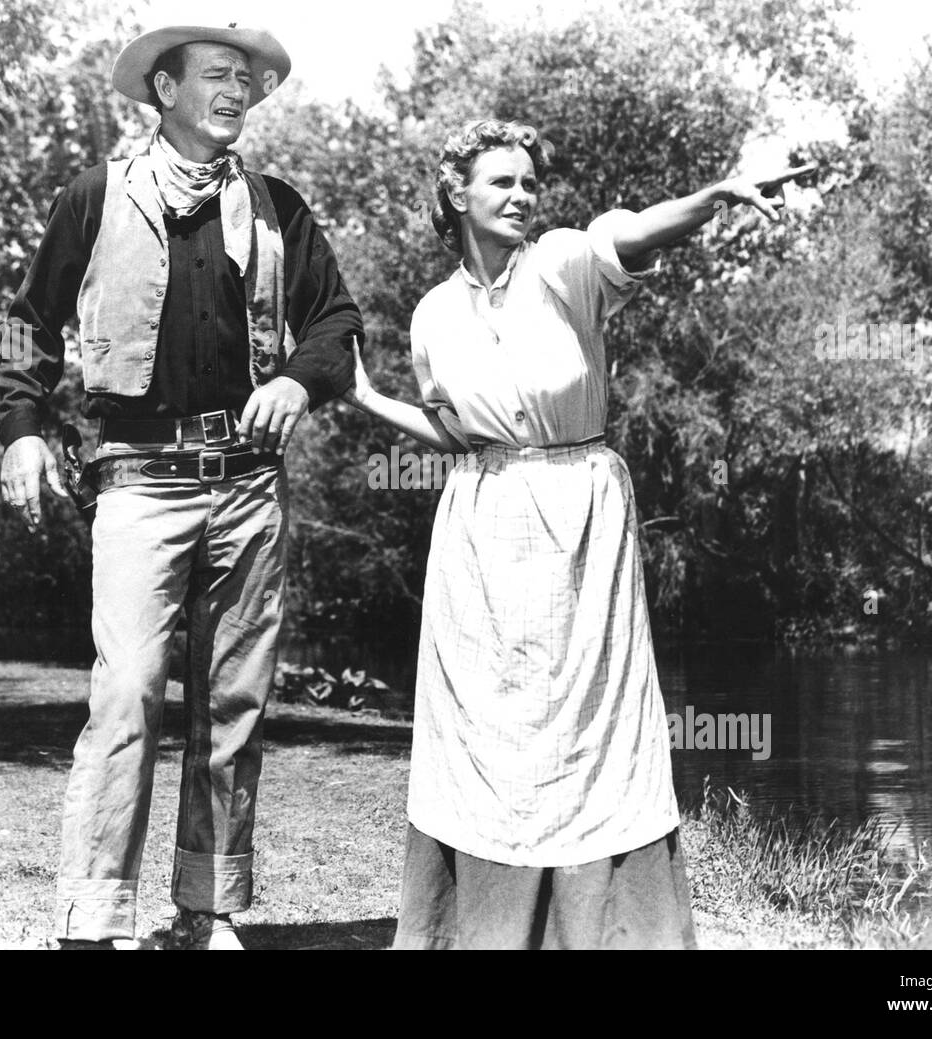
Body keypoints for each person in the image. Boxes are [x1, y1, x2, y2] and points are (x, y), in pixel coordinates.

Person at [344, 119, 812, 949]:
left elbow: (626, 232)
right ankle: (483, 930)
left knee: (590, 724)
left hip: (579, 514)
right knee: (489, 726)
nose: (523, 195)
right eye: (503, 183)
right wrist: (364, 397)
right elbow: (457, 432)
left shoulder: (561, 264)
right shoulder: (433, 316)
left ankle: (609, 932)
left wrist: (710, 199)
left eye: (530, 182)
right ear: (457, 196)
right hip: (482, 522)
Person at [0, 23, 363, 949]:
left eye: (248, 78)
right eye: (217, 75)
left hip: (248, 489)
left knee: (233, 705)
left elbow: (337, 320)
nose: (238, 90)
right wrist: (24, 430)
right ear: (165, 89)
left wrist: (295, 380)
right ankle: (92, 919)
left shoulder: (280, 207)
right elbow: (27, 325)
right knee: (125, 696)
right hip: (136, 486)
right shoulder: (93, 197)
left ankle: (208, 911)